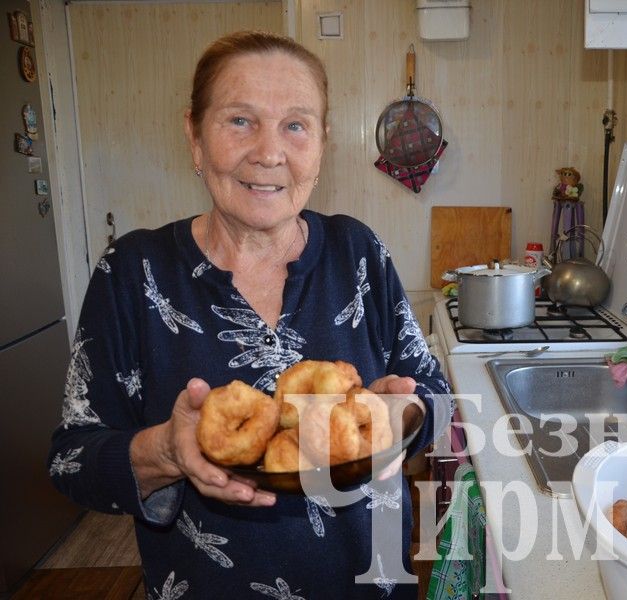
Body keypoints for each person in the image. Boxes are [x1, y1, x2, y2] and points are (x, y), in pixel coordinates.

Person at [48, 30, 449, 599]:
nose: (269, 152)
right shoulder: (134, 272)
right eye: (240, 121)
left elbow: (431, 389)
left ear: (322, 143)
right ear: (194, 136)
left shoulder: (357, 249)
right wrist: (164, 452)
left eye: (295, 125)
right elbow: (71, 458)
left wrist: (402, 411)